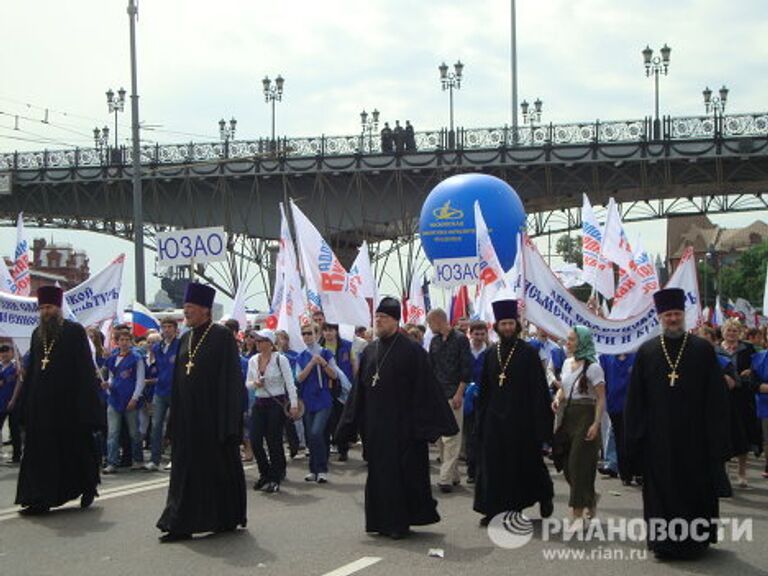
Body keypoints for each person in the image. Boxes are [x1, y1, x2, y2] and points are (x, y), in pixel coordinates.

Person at [336, 297, 458, 539]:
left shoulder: (412, 351)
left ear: (395, 320)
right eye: (377, 318)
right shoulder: (371, 351)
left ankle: (399, 524)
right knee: (380, 476)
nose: (378, 321)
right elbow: (359, 391)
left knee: (401, 477)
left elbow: (427, 390)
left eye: (383, 318)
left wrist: (430, 427)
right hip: (376, 428)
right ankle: (381, 522)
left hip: (404, 429)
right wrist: (347, 424)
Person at [624, 288, 730, 560]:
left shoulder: (702, 350)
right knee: (661, 491)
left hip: (695, 438)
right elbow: (636, 400)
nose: (672, 319)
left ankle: (696, 542)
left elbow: (716, 398)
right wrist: (636, 437)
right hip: (658, 439)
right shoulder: (647, 352)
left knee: (696, 487)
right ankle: (663, 544)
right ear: (660, 317)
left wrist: (717, 438)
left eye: (677, 314)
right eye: (668, 314)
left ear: (684, 316)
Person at [156, 283, 247, 542]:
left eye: (190, 308)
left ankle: (225, 517)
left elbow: (231, 382)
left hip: (213, 420)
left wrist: (230, 423)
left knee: (216, 472)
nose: (186, 312)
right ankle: (179, 522)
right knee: (184, 473)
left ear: (205, 310)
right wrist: (172, 422)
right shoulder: (185, 338)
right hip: (187, 421)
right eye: (185, 308)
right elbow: (177, 382)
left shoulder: (221, 336)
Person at [15, 285, 103, 515]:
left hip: (68, 407)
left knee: (75, 450)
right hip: (41, 408)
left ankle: (87, 487)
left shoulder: (74, 332)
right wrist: (26, 404)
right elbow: (32, 370)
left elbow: (84, 371)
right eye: (42, 308)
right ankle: (38, 498)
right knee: (38, 453)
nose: (46, 312)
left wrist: (87, 406)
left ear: (58, 308)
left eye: (50, 307)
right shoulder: (37, 334)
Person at [473, 299, 554, 526]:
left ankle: (543, 495)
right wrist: (481, 421)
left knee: (525, 464)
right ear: (497, 326)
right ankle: (493, 510)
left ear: (517, 325)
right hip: (494, 421)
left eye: (511, 323)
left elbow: (538, 391)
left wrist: (541, 425)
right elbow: (485, 389)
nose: (507, 327)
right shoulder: (490, 353)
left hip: (521, 420)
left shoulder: (528, 353)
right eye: (503, 324)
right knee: (493, 466)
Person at [551, 326, 606, 522]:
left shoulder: (593, 367)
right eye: (568, 339)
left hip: (586, 415)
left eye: (572, 339)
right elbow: (565, 389)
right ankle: (589, 497)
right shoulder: (566, 364)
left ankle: (576, 515)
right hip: (569, 415)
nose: (568, 343)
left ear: (582, 341)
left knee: (579, 464)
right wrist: (557, 399)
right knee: (566, 464)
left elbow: (600, 398)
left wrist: (596, 423)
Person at [247, 329, 299, 494]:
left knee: (273, 441)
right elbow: (247, 383)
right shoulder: (253, 360)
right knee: (255, 440)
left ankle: (275, 477)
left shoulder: (280, 359)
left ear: (270, 343)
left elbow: (290, 382)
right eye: (257, 340)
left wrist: (294, 404)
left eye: (261, 340)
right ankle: (265, 473)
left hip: (276, 402)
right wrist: (255, 383)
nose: (258, 343)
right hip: (259, 402)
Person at [427, 308, 472, 492]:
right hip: (437, 396)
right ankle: (454, 475)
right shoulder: (434, 341)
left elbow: (465, 369)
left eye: (430, 323)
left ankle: (444, 479)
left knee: (452, 438)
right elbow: (430, 368)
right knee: (439, 438)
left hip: (454, 394)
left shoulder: (461, 340)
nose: (429, 327)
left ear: (438, 321)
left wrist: (460, 393)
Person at [717, 318, 759, 488]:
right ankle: (724, 470)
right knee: (723, 433)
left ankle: (742, 472)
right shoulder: (716, 350)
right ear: (723, 332)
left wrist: (751, 370)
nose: (731, 334)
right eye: (728, 330)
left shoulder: (748, 348)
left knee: (742, 434)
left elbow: (758, 367)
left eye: (734, 331)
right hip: (722, 397)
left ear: (739, 333)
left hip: (743, 397)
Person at [296, 323, 338, 483]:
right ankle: (313, 470)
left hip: (323, 399)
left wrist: (323, 363)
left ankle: (322, 469)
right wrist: (312, 364)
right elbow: (298, 378)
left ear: (317, 334)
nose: (307, 336)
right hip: (307, 400)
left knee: (316, 432)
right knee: (310, 436)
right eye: (304, 333)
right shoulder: (301, 356)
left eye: (310, 333)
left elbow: (334, 375)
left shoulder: (326, 353)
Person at [102, 331, 146, 473]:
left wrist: (135, 397)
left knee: (134, 432)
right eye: (122, 339)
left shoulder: (136, 358)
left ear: (131, 341)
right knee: (113, 433)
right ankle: (112, 462)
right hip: (114, 399)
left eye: (127, 339)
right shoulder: (112, 358)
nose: (124, 342)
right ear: (117, 341)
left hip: (130, 400)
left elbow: (140, 380)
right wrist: (108, 385)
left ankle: (138, 459)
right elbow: (111, 377)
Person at [145, 318, 179, 471]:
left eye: (169, 326)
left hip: (175, 390)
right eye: (164, 327)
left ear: (175, 329)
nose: (166, 330)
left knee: (175, 426)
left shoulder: (180, 345)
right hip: (160, 390)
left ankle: (175, 458)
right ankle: (154, 459)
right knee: (156, 425)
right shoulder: (157, 347)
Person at [320, 323, 356, 462]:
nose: (328, 333)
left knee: (341, 417)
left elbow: (353, 363)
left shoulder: (346, 345)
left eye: (331, 330)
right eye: (326, 330)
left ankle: (343, 448)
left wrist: (354, 384)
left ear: (336, 331)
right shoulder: (319, 347)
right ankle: (327, 448)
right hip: (325, 387)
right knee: (328, 419)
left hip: (343, 386)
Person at [598, 352, 636, 485]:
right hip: (615, 404)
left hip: (633, 405)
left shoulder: (636, 356)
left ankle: (636, 470)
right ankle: (625, 473)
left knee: (632, 438)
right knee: (620, 438)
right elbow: (603, 380)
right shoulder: (606, 357)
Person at [465, 321, 488, 484]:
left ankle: (483, 468)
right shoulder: (465, 350)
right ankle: (471, 469)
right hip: (467, 397)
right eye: (476, 334)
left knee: (483, 434)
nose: (479, 337)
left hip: (485, 398)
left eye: (482, 334)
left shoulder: (491, 351)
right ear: (471, 334)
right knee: (470, 434)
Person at [0, 344, 22, 465]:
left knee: (14, 430)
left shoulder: (16, 367)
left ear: (12, 353)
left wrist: (13, 400)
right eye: (2, 352)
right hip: (1, 403)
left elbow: (19, 384)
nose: (4, 354)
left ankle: (16, 457)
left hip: (13, 403)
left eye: (6, 352)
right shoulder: (0, 367)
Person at [750, 348, 768, 478]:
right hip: (765, 402)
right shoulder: (758, 357)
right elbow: (752, 382)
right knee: (767, 438)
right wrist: (759, 386)